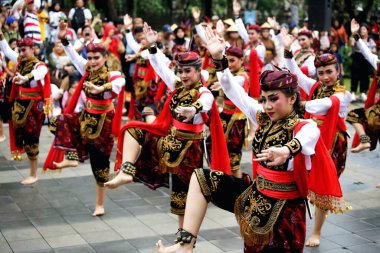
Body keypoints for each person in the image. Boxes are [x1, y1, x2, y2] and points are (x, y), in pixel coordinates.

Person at [156, 27, 345, 253]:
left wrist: (286, 150)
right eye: (264, 99)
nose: (267, 105)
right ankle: (186, 245)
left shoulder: (304, 126)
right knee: (201, 178)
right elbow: (233, 91)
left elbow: (308, 136)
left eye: (274, 99)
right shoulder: (263, 118)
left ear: (293, 98)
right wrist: (218, 58)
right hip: (256, 196)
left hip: (285, 210)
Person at [104, 22, 230, 228]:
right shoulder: (178, 86)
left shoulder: (202, 91)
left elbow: (207, 101)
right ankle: (126, 171)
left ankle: (185, 238)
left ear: (198, 71)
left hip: (190, 149)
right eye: (180, 71)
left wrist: (194, 109)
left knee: (185, 196)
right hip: (170, 140)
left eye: (187, 71)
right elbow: (161, 67)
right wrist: (152, 47)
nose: (182, 75)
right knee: (133, 129)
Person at [44, 23, 126, 217]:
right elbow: (73, 54)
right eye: (89, 58)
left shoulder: (112, 74)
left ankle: (100, 204)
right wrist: (64, 39)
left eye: (96, 58)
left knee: (100, 166)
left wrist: (101, 89)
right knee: (59, 121)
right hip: (85, 117)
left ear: (104, 57)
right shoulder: (87, 69)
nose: (92, 61)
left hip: (103, 123)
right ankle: (71, 158)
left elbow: (119, 83)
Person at [283, 34, 351, 247]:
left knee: (321, 187)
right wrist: (287, 52)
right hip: (309, 141)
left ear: (338, 71)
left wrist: (298, 106)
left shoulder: (343, 94)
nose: (325, 77)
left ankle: (317, 232)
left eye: (329, 72)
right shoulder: (315, 87)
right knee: (301, 179)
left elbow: (324, 105)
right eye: (321, 73)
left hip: (332, 145)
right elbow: (297, 75)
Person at [0, 24, 51, 185]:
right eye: (20, 50)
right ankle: (31, 171)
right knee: (22, 135)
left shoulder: (38, 65)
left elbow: (40, 73)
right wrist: (1, 34)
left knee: (31, 138)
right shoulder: (21, 61)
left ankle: (33, 174)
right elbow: (8, 51)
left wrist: (25, 78)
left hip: (34, 106)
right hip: (21, 104)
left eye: (24, 50)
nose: (21, 53)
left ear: (32, 49)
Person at [208, 46, 249, 178]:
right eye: (228, 61)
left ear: (241, 60)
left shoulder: (242, 76)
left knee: (233, 156)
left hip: (237, 121)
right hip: (224, 117)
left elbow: (236, 82)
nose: (230, 64)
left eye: (233, 60)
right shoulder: (229, 75)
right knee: (214, 146)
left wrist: (223, 84)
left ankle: (237, 189)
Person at [346, 19, 380, 166]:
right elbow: (366, 52)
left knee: (353, 115)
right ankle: (365, 141)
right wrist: (355, 35)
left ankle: (365, 141)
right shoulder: (378, 64)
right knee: (354, 116)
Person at [350, 23, 376, 101]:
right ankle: (353, 92)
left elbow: (374, 50)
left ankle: (363, 92)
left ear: (367, 31)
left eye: (364, 29)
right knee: (355, 75)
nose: (362, 31)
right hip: (357, 57)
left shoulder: (370, 39)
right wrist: (353, 35)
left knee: (365, 76)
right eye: (361, 29)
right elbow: (351, 44)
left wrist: (368, 50)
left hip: (366, 59)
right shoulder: (357, 38)